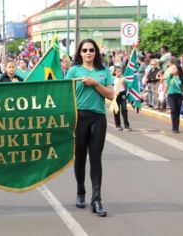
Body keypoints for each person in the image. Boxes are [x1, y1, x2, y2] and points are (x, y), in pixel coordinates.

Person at [65, 38, 114, 217]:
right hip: (79, 118)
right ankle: (80, 192)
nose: (88, 53)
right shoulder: (73, 71)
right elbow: (64, 95)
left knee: (95, 158)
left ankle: (97, 199)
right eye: (84, 50)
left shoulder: (104, 71)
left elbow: (110, 95)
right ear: (79, 53)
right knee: (80, 158)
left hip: (98, 118)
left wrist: (95, 84)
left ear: (96, 52)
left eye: (91, 50)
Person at [163, 62, 183, 133]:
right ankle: (174, 127)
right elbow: (166, 86)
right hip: (171, 95)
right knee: (173, 110)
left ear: (178, 69)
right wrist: (163, 94)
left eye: (174, 68)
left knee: (177, 111)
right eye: (172, 68)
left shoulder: (182, 77)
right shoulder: (170, 77)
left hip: (179, 95)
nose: (172, 70)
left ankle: (176, 127)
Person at [112, 66, 131, 131]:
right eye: (118, 71)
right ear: (115, 72)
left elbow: (126, 88)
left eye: (120, 71)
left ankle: (126, 125)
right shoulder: (113, 79)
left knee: (124, 109)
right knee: (116, 110)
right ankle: (118, 125)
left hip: (122, 94)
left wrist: (124, 83)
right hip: (115, 95)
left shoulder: (123, 79)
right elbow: (111, 87)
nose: (119, 73)